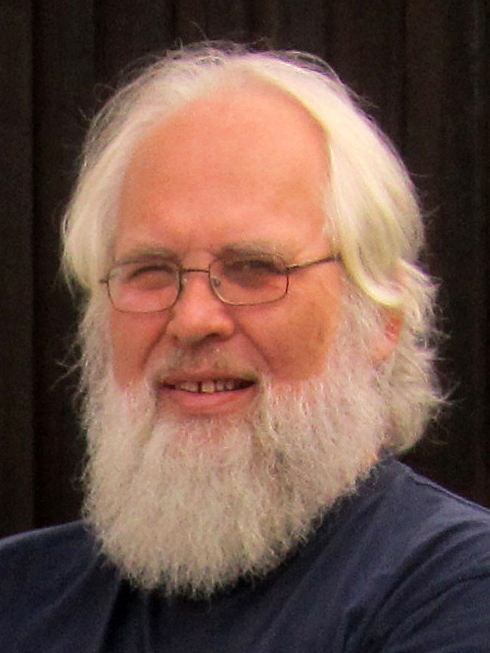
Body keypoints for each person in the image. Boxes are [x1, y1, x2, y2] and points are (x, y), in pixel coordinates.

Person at [1, 43, 490, 652]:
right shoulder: (18, 598)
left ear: (382, 318)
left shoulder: (457, 594)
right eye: (151, 271)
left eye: (255, 268)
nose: (192, 319)